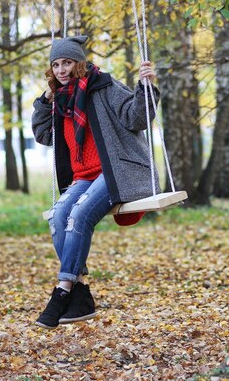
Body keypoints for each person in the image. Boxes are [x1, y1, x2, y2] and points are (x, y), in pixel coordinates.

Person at [31, 35, 159, 329]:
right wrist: (44, 102)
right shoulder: (59, 101)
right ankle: (82, 294)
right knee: (58, 216)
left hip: (116, 171)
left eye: (67, 63)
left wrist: (146, 88)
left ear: (79, 63)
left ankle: (63, 290)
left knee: (77, 216)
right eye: (56, 65)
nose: (62, 70)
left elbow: (135, 117)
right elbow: (42, 134)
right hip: (83, 176)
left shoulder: (104, 87)